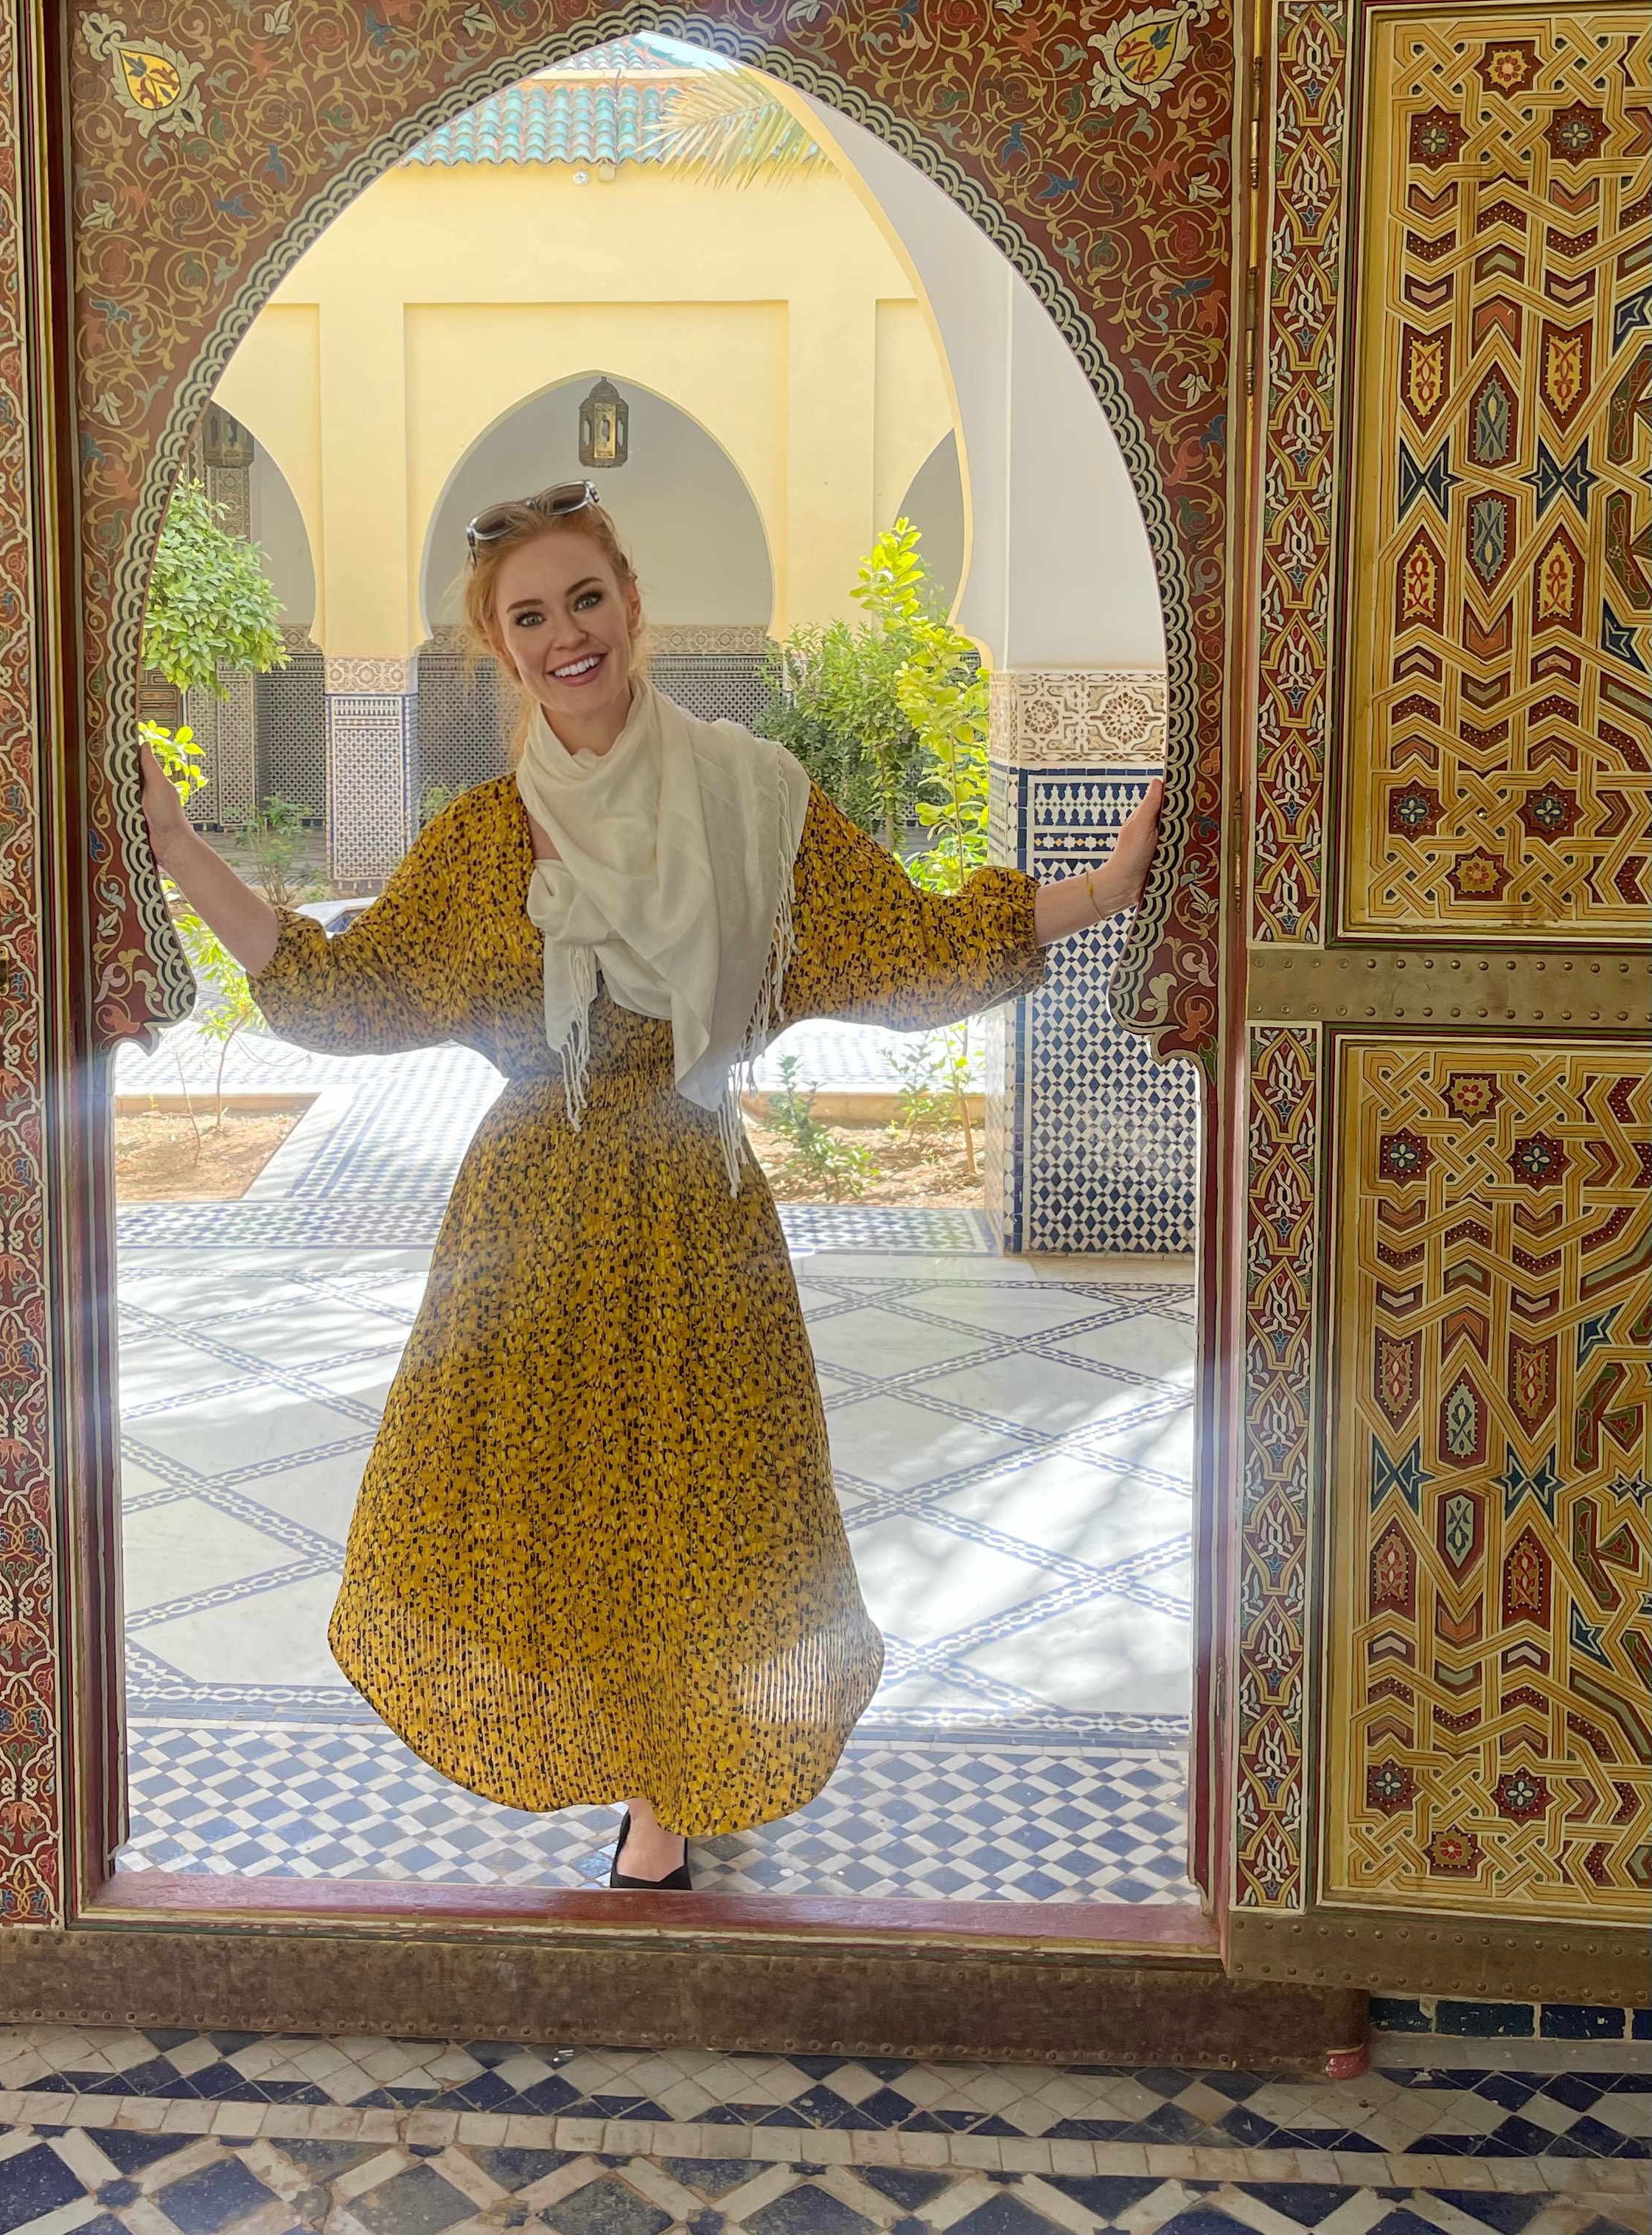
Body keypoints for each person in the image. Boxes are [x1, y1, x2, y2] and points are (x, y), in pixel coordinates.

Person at [138, 481, 1162, 1889]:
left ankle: (671, 1797)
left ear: (630, 602)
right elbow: (336, 990)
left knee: (702, 1510)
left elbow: (905, 945)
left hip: (695, 1215)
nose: (566, 635)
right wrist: (185, 849)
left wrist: (1100, 891)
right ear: (500, 650)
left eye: (584, 599)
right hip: (527, 1228)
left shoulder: (755, 804)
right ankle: (633, 1765)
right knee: (551, 1508)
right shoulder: (486, 840)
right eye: (529, 617)